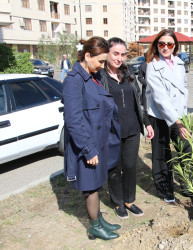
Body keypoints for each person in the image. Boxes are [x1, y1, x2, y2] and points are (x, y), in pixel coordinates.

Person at [62, 37, 121, 240]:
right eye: (101, 61)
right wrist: (88, 149)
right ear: (87, 56)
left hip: (97, 141)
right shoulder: (73, 80)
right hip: (86, 144)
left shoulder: (91, 76)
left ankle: (99, 220)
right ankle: (95, 226)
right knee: (90, 188)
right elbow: (73, 120)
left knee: (96, 183)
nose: (103, 66)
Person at [98, 38, 154, 219]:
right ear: (107, 53)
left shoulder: (128, 73)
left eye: (123, 54)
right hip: (111, 131)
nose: (119, 58)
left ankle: (129, 200)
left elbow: (139, 100)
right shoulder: (99, 76)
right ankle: (117, 202)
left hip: (131, 129)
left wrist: (146, 122)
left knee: (130, 166)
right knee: (113, 168)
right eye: (115, 54)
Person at [145, 29, 192, 203]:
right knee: (162, 155)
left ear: (175, 46)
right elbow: (160, 99)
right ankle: (165, 190)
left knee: (186, 150)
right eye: (162, 44)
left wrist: (183, 118)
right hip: (160, 117)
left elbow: (184, 90)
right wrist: (177, 122)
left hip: (179, 115)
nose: (165, 47)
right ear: (156, 45)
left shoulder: (179, 63)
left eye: (169, 44)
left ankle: (189, 185)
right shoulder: (152, 66)